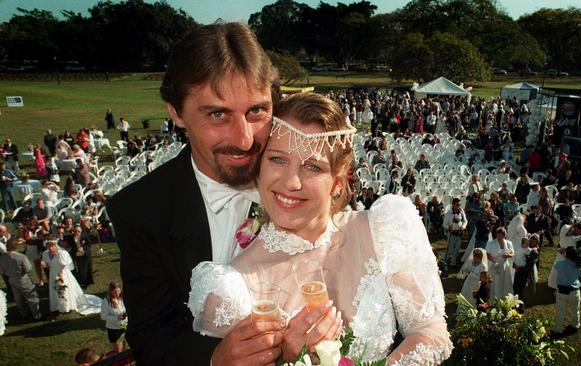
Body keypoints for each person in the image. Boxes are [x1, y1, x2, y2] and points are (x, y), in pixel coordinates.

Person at [188, 92, 452, 364]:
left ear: (337, 183)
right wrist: (288, 360)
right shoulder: (230, 290)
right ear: (259, 167)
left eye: (312, 167)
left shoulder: (382, 230)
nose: (291, 182)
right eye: (277, 159)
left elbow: (430, 332)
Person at [106, 23, 284, 365]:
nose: (245, 139)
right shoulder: (139, 209)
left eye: (256, 111)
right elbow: (151, 335)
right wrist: (215, 358)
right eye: (218, 114)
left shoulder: (302, 181)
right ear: (176, 112)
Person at [41, 238, 101, 315]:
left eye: (52, 246)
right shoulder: (45, 254)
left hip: (63, 273)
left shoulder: (62, 253)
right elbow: (48, 265)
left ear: (56, 245)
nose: (50, 248)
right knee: (55, 289)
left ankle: (67, 306)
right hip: (53, 274)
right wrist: (45, 265)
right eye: (48, 246)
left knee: (64, 289)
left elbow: (65, 264)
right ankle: (57, 305)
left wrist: (61, 274)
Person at [0, 238, 42, 321]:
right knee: (31, 296)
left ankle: (23, 313)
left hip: (11, 279)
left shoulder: (2, 258)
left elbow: (2, 271)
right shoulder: (21, 257)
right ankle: (36, 314)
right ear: (16, 247)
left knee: (18, 297)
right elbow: (29, 269)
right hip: (22, 278)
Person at [553, 246, 581, 335]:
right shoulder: (578, 266)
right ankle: (575, 325)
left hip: (561, 292)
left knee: (560, 311)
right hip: (574, 292)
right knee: (575, 310)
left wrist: (561, 255)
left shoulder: (560, 264)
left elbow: (555, 265)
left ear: (566, 254)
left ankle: (558, 330)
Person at [486, 227, 514, 301]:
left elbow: (512, 253)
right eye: (498, 235)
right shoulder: (491, 243)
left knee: (504, 281)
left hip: (504, 265)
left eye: (501, 235)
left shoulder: (509, 243)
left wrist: (508, 255)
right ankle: (492, 297)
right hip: (493, 264)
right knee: (494, 281)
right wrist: (494, 261)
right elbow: (487, 254)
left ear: (504, 235)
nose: (499, 237)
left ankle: (503, 296)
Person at [101, 281, 127, 352]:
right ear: (110, 291)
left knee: (125, 348)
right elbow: (103, 317)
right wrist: (117, 318)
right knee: (118, 351)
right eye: (114, 292)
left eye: (118, 291)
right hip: (114, 329)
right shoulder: (106, 301)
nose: (117, 294)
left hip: (124, 326)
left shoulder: (122, 298)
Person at [443, 197, 467, 267]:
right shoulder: (448, 213)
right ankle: (445, 261)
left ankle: (453, 263)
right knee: (450, 249)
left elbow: (465, 220)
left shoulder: (461, 211)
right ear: (453, 205)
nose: (459, 206)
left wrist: (463, 226)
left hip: (459, 233)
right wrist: (449, 227)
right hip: (451, 233)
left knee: (457, 249)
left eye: (459, 204)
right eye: (457, 205)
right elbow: (444, 224)